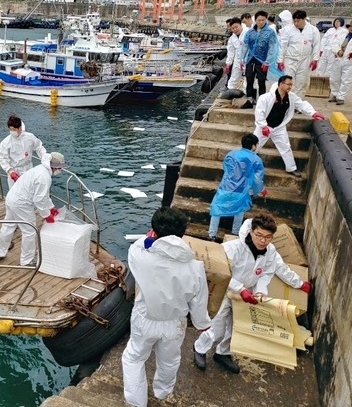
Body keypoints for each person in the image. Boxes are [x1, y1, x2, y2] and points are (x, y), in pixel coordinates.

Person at [193, 213, 311, 374]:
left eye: (268, 237)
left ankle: (223, 353)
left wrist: (261, 292)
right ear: (251, 231)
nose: (263, 241)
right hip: (227, 291)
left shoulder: (270, 252)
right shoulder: (233, 248)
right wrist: (240, 289)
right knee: (217, 324)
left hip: (247, 294)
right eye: (259, 235)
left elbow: (268, 273)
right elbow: (222, 273)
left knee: (236, 326)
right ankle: (200, 348)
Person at [122, 207, 211, 405]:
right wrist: (202, 322)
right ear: (182, 234)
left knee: (134, 358)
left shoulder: (139, 255)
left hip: (145, 318)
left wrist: (149, 239)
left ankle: (137, 402)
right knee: (169, 361)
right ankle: (162, 392)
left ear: (153, 232)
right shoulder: (195, 267)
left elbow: (140, 245)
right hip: (174, 323)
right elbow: (198, 301)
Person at [0, 152, 67, 266]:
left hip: (12, 197)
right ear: (55, 167)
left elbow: (43, 195)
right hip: (21, 204)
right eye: (59, 168)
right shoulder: (44, 177)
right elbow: (39, 199)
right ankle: (26, 260)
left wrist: (51, 207)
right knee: (29, 231)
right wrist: (47, 215)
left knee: (8, 225)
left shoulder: (40, 169)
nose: (60, 170)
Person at [253, 75, 325, 177]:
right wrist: (263, 126)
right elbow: (259, 112)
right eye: (288, 84)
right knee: (254, 145)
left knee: (286, 147)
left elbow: (301, 104)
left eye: (291, 85)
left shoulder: (291, 97)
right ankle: (244, 163)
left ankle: (291, 168)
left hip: (279, 127)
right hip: (264, 127)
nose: (290, 87)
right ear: (281, 84)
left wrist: (313, 113)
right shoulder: (265, 97)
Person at [208, 133, 266, 241]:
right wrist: (260, 190)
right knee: (240, 210)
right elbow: (257, 179)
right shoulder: (256, 160)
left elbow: (226, 169)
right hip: (242, 190)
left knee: (217, 209)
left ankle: (211, 235)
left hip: (226, 187)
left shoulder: (231, 154)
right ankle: (235, 234)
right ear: (253, 146)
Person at [239, 10, 281, 104]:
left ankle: (262, 100)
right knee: (249, 78)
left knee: (261, 81)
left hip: (262, 60)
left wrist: (268, 61)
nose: (261, 22)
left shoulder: (270, 32)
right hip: (250, 59)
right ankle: (250, 99)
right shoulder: (250, 32)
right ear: (256, 20)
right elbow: (245, 45)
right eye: (259, 20)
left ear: (266, 20)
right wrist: (242, 59)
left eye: (263, 20)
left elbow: (272, 47)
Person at [277, 10, 321, 98]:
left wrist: (315, 59)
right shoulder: (288, 30)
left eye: (298, 21)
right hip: (290, 59)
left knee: (301, 83)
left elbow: (317, 45)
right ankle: (285, 101)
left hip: (305, 60)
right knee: (287, 82)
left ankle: (298, 104)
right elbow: (283, 46)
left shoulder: (313, 30)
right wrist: (280, 60)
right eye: (294, 21)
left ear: (304, 19)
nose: (296, 23)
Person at [0, 114, 46, 189]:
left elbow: (39, 148)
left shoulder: (29, 137)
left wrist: (45, 159)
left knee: (30, 191)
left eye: (14, 129)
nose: (12, 132)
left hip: (28, 169)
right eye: (10, 129)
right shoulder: (6, 142)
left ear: (20, 128)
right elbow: (2, 158)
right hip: (15, 172)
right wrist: (10, 171)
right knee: (16, 194)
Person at [329, 23, 352, 105]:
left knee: (346, 79)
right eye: (350, 26)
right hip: (338, 58)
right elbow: (334, 43)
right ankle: (335, 94)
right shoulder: (344, 35)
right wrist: (338, 51)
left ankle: (341, 97)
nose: (351, 28)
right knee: (334, 78)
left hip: (349, 61)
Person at [225, 17, 249, 90]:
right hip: (238, 60)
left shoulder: (248, 32)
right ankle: (229, 89)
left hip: (248, 59)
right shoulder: (232, 38)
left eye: (236, 27)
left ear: (241, 25)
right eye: (233, 28)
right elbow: (230, 52)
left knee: (248, 77)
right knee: (234, 76)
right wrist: (228, 64)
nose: (235, 29)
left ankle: (247, 93)